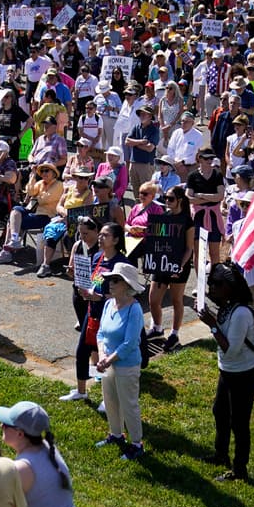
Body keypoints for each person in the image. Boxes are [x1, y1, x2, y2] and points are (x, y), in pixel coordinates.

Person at [196, 262, 254, 482]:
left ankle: (239, 469)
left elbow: (232, 350)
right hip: (228, 371)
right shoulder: (227, 307)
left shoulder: (241, 313)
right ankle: (220, 454)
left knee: (239, 422)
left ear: (230, 287)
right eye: (210, 283)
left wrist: (212, 325)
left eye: (217, 284)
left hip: (244, 373)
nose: (211, 288)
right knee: (220, 411)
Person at [0, 401, 87, 507]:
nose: (1, 426)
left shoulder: (23, 469)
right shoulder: (48, 448)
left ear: (20, 434)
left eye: (6, 424)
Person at [63, 222, 129, 402]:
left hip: (112, 316)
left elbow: (126, 294)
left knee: (107, 357)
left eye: (105, 235)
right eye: (99, 234)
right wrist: (86, 290)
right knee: (82, 351)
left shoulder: (122, 263)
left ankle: (108, 399)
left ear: (116, 240)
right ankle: (81, 390)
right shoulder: (98, 257)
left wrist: (101, 297)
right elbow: (95, 282)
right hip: (93, 312)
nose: (100, 238)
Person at [94, 262, 146, 461]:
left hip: (126, 365)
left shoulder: (134, 310)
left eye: (115, 280)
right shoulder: (108, 304)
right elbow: (100, 334)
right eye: (110, 280)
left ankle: (136, 444)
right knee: (110, 400)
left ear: (127, 284)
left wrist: (109, 359)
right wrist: (101, 356)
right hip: (107, 363)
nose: (110, 283)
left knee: (128, 404)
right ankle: (116, 434)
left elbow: (130, 343)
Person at [144, 185, 194, 351]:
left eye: (170, 198)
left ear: (180, 200)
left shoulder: (187, 221)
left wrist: (180, 265)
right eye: (165, 198)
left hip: (178, 266)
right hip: (161, 264)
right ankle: (157, 328)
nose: (166, 201)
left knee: (176, 300)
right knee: (153, 299)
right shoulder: (163, 217)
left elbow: (189, 248)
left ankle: (174, 334)